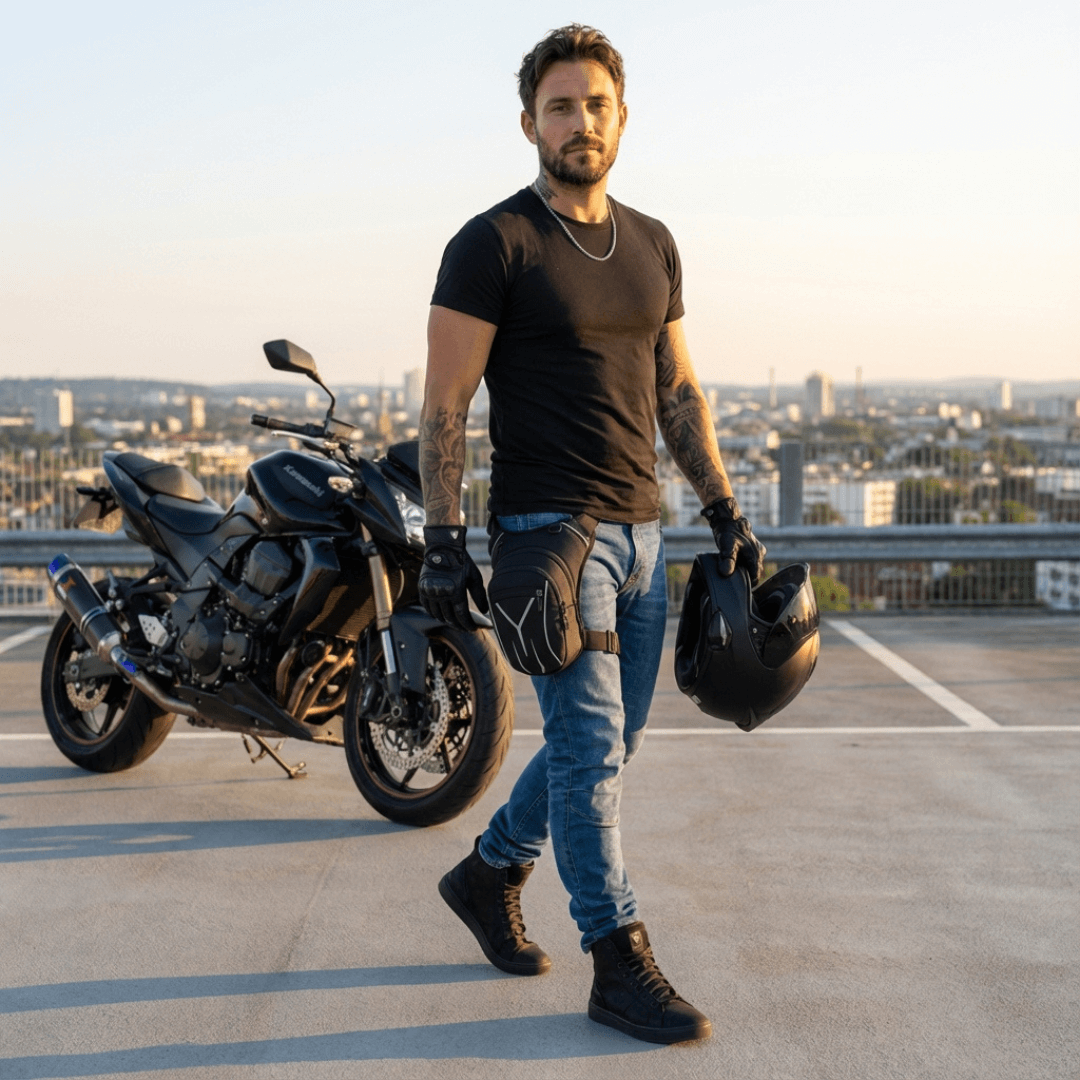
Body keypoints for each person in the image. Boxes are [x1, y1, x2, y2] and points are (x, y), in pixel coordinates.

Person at [416, 24, 764, 1046]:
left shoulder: (653, 242)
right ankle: (617, 958)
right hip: (552, 540)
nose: (580, 122)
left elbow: (679, 390)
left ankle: (488, 874)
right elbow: (446, 401)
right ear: (529, 122)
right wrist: (443, 540)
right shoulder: (494, 243)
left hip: (647, 533)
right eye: (560, 106)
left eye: (596, 104)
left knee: (608, 743)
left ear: (622, 116)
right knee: (591, 753)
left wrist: (724, 506)